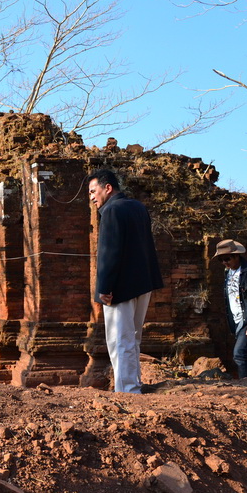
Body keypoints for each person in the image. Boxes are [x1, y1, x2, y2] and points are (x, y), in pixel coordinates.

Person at [87, 168, 164, 394]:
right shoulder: (138, 207)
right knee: (133, 338)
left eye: (93, 191)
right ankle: (133, 384)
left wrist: (104, 288)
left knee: (119, 340)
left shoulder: (111, 210)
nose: (91, 197)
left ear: (108, 188)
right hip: (143, 282)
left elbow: (109, 253)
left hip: (120, 287)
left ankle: (127, 390)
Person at [212, 239, 247, 379]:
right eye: (221, 260)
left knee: (239, 354)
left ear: (236, 256)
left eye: (227, 259)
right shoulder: (228, 272)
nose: (224, 263)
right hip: (237, 321)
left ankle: (246, 385)